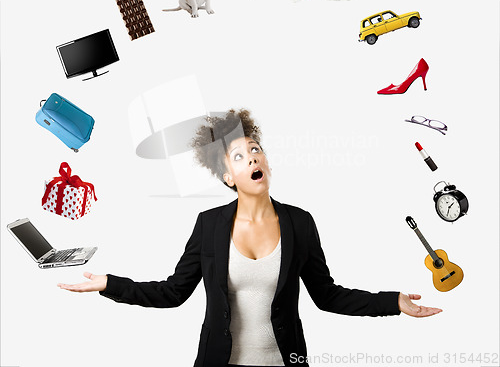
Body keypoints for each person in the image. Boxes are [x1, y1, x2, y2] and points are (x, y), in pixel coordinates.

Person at [58, 109, 442, 367]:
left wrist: (394, 302)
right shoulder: (208, 225)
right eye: (238, 157)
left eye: (255, 150)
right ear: (228, 177)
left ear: (267, 163)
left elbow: (328, 296)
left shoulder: (300, 223)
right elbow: (173, 293)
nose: (253, 159)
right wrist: (110, 284)